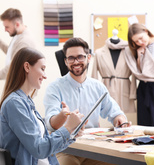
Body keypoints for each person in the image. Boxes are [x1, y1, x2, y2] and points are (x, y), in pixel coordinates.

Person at [44, 37, 130, 165]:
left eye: (80, 57)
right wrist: (62, 117)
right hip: (64, 149)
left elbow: (115, 112)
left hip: (93, 148)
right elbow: (51, 124)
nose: (76, 61)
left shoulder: (98, 86)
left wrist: (120, 120)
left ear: (88, 58)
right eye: (71, 58)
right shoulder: (54, 88)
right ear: (66, 61)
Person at [0, 47, 85, 165]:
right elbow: (39, 149)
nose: (45, 75)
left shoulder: (26, 102)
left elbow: (45, 148)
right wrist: (67, 128)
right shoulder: (15, 104)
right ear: (27, 67)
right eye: (42, 69)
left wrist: (71, 132)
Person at [0, 8, 36, 88]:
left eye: (7, 27)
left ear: (17, 24)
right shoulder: (18, 36)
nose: (5, 30)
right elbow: (11, 53)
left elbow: (13, 66)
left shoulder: (24, 41)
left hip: (21, 88)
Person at [91, 29, 136, 113]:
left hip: (125, 88)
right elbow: (94, 75)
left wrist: (133, 93)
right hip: (106, 87)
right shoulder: (99, 52)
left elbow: (134, 73)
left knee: (127, 120)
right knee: (106, 117)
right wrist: (94, 94)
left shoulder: (129, 52)